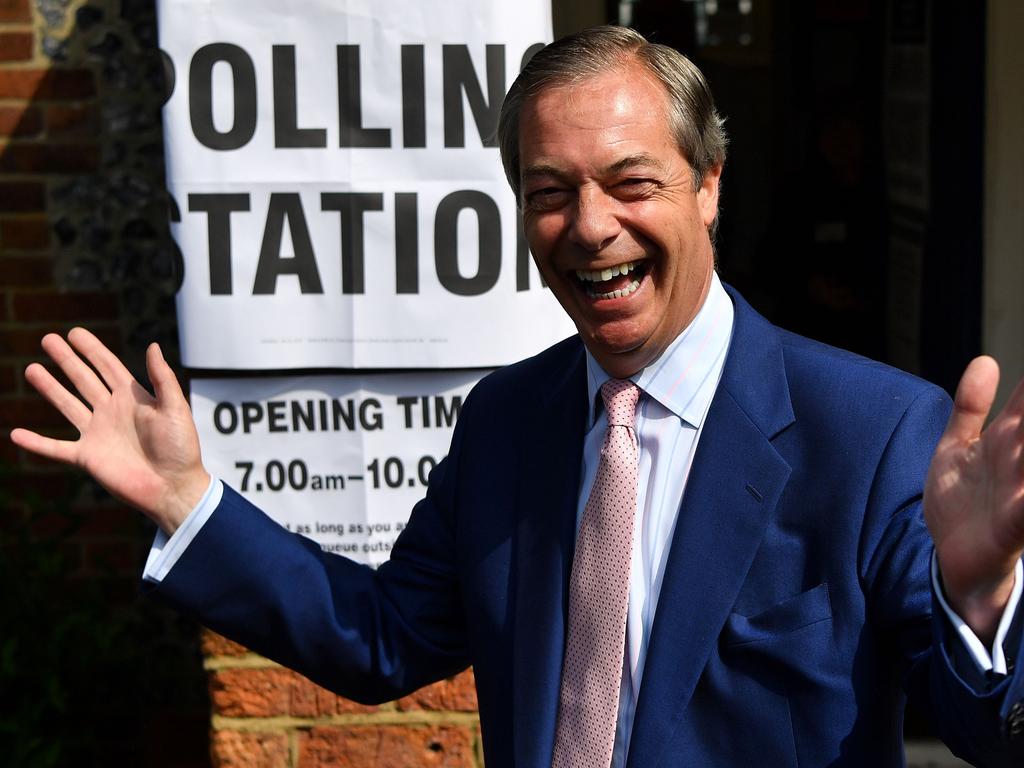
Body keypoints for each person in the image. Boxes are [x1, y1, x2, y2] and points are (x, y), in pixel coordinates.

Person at [10, 26, 1024, 767]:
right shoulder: (506, 421)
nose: (588, 227)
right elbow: (381, 637)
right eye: (549, 192)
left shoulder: (877, 431)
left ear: (707, 183)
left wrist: (981, 606)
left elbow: (987, 726)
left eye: (631, 183)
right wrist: (190, 503)